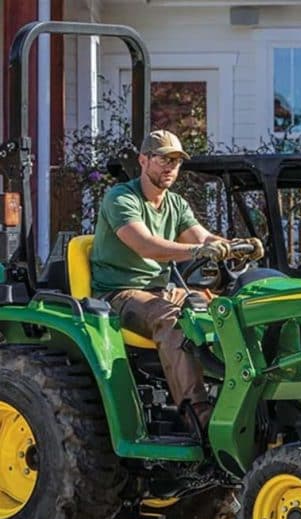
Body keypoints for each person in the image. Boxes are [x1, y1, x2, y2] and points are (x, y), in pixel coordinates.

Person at [91, 129, 263, 435]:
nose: (170, 166)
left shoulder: (176, 204)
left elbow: (203, 238)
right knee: (172, 320)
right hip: (118, 294)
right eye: (163, 159)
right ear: (143, 160)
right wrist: (199, 250)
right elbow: (146, 244)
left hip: (161, 290)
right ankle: (197, 415)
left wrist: (236, 247)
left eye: (177, 161)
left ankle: (242, 399)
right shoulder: (121, 198)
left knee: (223, 309)